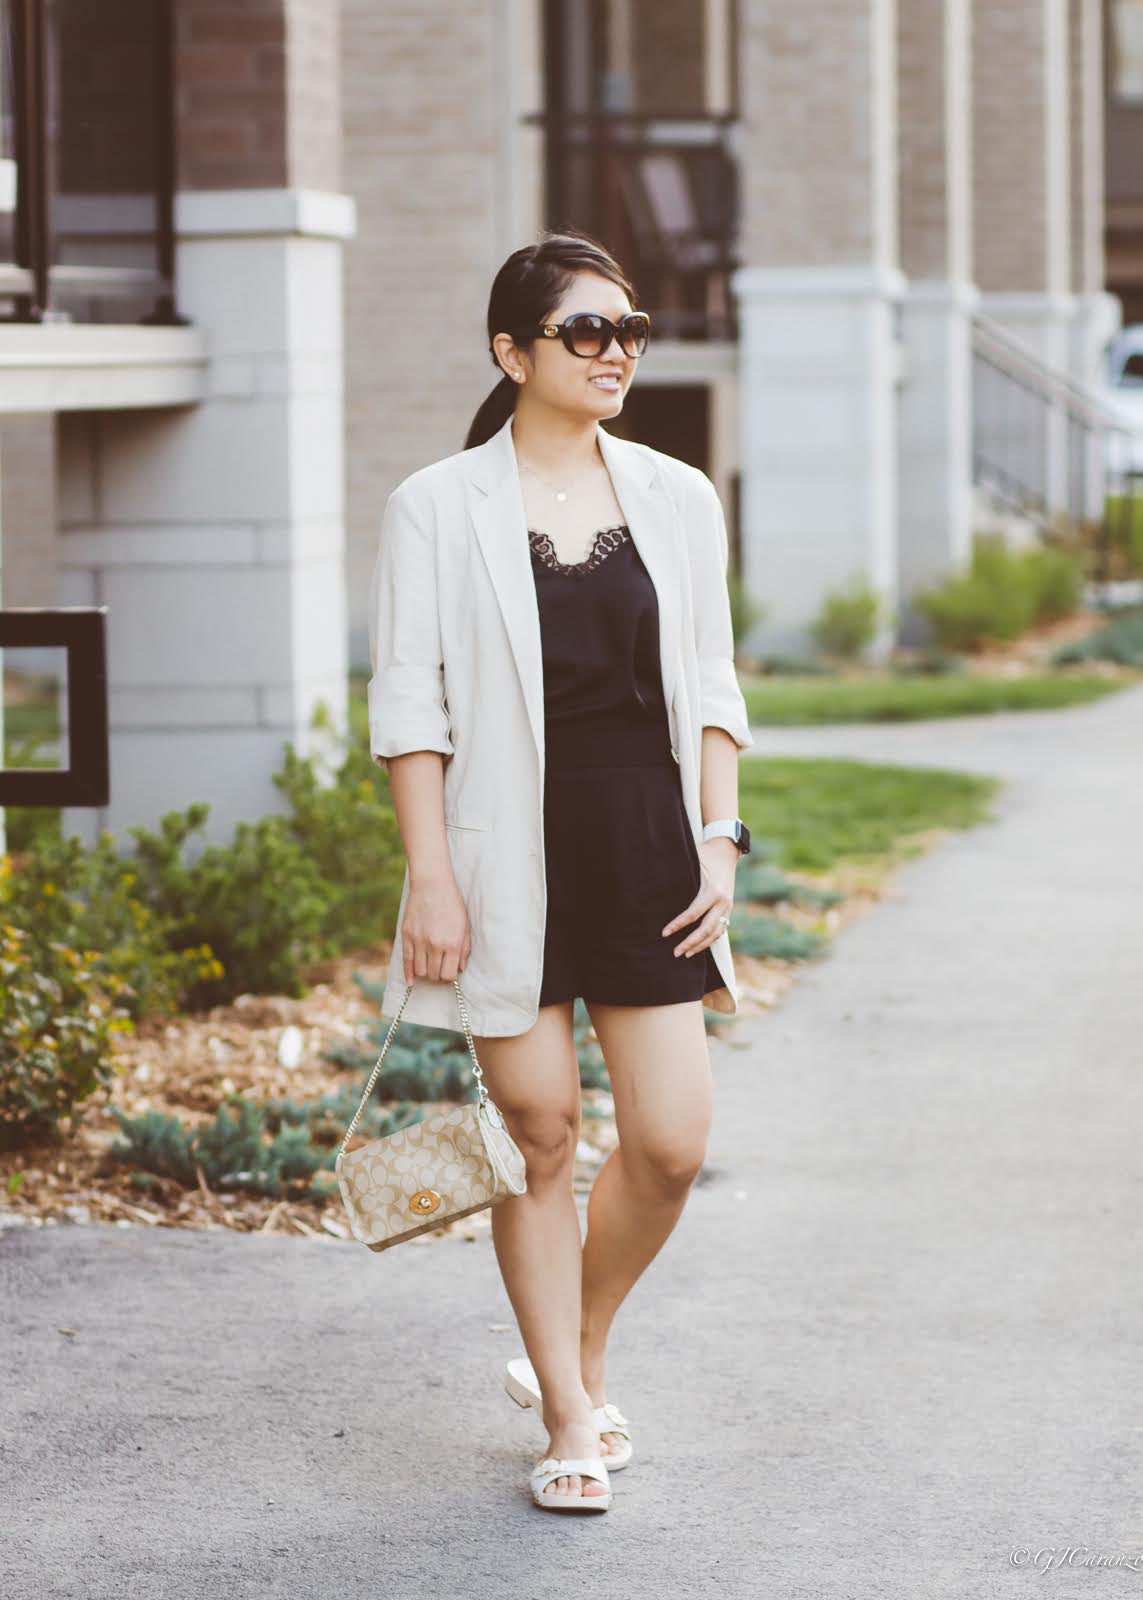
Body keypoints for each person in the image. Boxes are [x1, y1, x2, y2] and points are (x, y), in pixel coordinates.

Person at [370, 228, 754, 1513]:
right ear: (511, 351)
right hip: (500, 855)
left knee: (671, 1139)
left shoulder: (677, 494)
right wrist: (429, 875)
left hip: (650, 845)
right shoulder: (435, 503)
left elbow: (710, 682)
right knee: (540, 1135)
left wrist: (722, 835)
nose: (616, 352)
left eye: (629, 331)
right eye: (588, 331)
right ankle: (571, 1417)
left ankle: (571, 1352)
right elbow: (411, 703)